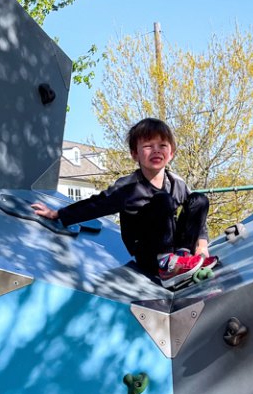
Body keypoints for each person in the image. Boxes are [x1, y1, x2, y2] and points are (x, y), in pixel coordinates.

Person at [32, 118, 215, 286]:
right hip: (147, 253)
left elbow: (197, 217)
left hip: (174, 248)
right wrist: (59, 214)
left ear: (171, 153)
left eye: (162, 145)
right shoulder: (128, 188)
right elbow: (97, 205)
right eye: (148, 146)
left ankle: (184, 258)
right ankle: (168, 264)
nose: (156, 150)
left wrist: (202, 247)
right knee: (163, 200)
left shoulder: (176, 183)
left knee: (199, 199)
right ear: (135, 154)